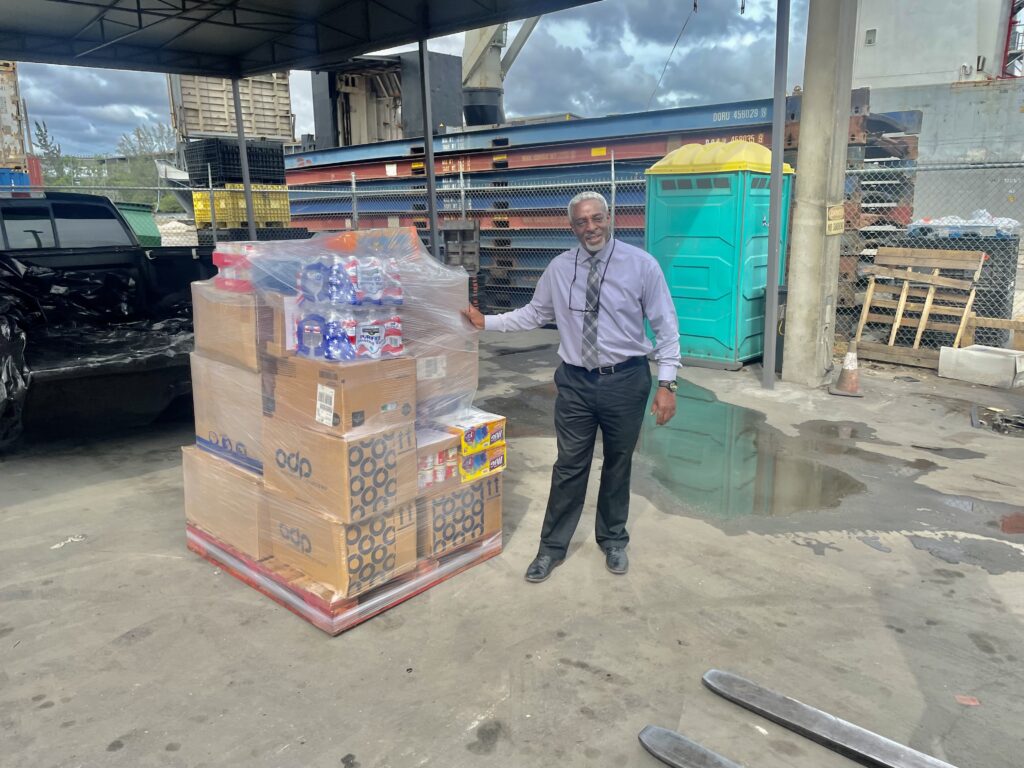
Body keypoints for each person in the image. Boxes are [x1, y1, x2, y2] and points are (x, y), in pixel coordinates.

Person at [462, 191, 680, 583]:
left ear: (609, 218)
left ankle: (613, 539)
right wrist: (487, 323)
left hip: (626, 380)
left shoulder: (642, 266)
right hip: (576, 382)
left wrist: (668, 383)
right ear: (572, 226)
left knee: (618, 463)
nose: (591, 227)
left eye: (597, 218)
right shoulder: (560, 268)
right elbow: (535, 313)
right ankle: (551, 548)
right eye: (582, 221)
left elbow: (666, 326)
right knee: (569, 465)